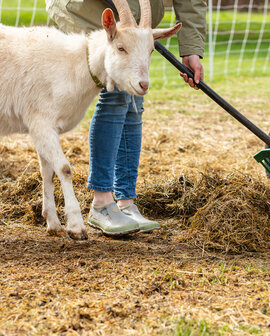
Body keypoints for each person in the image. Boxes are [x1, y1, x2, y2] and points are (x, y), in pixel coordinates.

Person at [46, 0, 207, 236]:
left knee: (133, 96)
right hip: (87, 4)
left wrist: (191, 48)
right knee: (118, 91)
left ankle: (125, 202)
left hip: (135, 13)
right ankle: (102, 203)